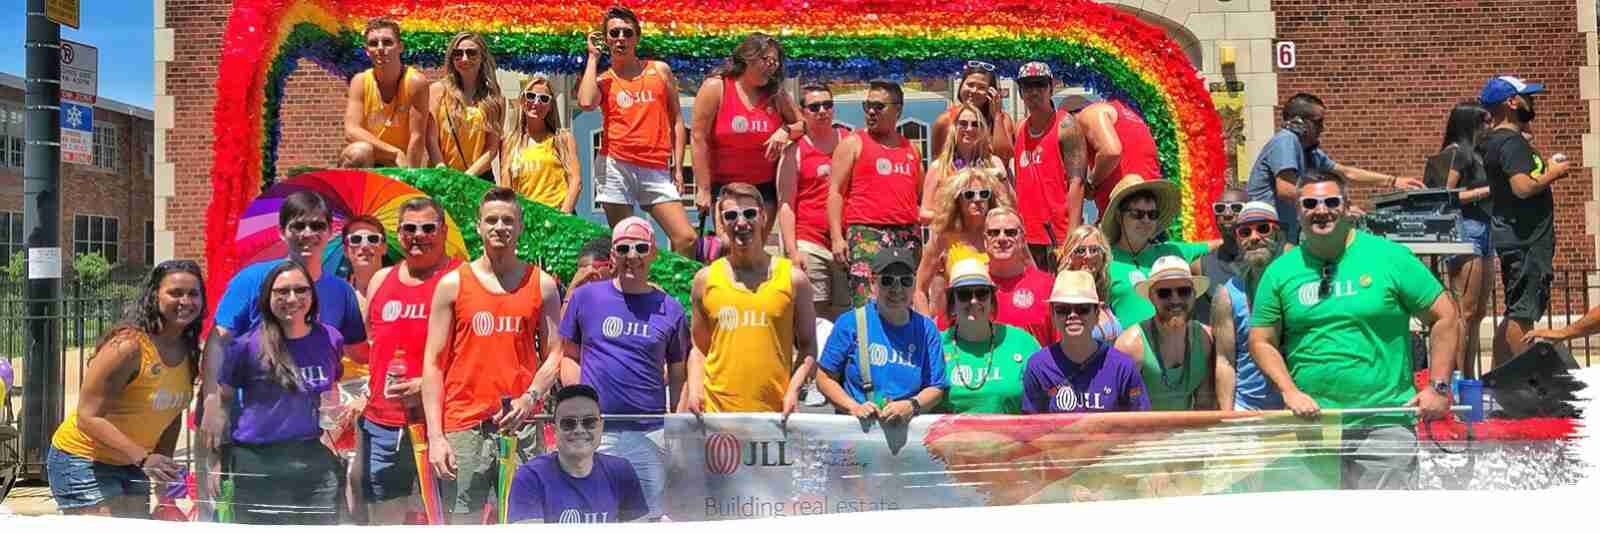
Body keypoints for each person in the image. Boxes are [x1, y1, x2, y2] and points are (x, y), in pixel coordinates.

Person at [1248, 169, 1458, 490]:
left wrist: (1439, 387)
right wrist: (1289, 391)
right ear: (1298, 210)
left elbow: (1444, 315)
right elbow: (1262, 340)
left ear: (1346, 206)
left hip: (1384, 422)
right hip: (1314, 426)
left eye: (1331, 201)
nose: (1321, 210)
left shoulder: (1389, 257)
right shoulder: (1280, 272)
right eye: (1310, 203)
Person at [421, 187, 564, 523]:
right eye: (492, 220)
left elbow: (556, 353)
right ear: (478, 226)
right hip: (463, 426)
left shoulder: (541, 285)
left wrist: (530, 398)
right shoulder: (453, 284)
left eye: (508, 220)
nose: (500, 226)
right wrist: (436, 436)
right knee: (463, 521)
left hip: (521, 426)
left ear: (520, 227)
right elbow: (432, 363)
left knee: (523, 520)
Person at [200, 191, 367, 452]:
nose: (307, 233)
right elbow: (219, 340)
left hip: (311, 435)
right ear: (282, 232)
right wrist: (212, 401)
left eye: (317, 225)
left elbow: (359, 352)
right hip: (255, 432)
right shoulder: (251, 279)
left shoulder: (340, 291)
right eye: (298, 225)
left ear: (330, 232)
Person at [46, 261, 203, 517]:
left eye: (193, 293)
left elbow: (171, 417)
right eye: (175, 293)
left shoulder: (189, 351)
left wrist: (163, 482)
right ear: (154, 295)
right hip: (82, 459)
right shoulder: (127, 347)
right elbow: (87, 417)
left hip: (132, 461)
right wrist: (143, 458)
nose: (185, 301)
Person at [559, 217, 688, 520]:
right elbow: (568, 356)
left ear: (653, 253)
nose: (633, 255)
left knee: (648, 516)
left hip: (649, 431)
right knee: (594, 514)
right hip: (597, 430)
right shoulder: (585, 298)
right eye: (624, 248)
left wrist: (677, 428)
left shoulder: (671, 308)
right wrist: (580, 406)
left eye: (641, 248)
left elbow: (678, 373)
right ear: (613, 255)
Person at [357, 197, 462, 524]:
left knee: (443, 517)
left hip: (441, 424)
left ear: (443, 231)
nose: (418, 235)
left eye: (428, 228)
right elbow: (370, 348)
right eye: (409, 228)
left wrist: (427, 384)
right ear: (398, 234)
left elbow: (472, 351)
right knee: (385, 518)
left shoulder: (460, 277)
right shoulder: (380, 280)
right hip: (382, 424)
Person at [216, 261, 344, 524]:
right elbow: (222, 402)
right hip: (257, 462)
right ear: (267, 297)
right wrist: (215, 461)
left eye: (301, 290)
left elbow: (330, 388)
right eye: (282, 292)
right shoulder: (245, 346)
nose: (292, 298)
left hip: (311, 459)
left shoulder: (330, 338)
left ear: (312, 295)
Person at [684, 183, 819, 416]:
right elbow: (699, 349)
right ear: (721, 223)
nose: (741, 223)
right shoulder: (705, 280)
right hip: (717, 417)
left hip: (774, 417)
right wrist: (695, 390)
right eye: (731, 216)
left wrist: (794, 390)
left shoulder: (794, 280)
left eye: (749, 214)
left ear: (764, 217)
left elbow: (808, 348)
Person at [577, 5, 697, 255]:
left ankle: (674, 292)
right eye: (614, 33)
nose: (621, 38)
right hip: (615, 165)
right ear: (607, 39)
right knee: (626, 243)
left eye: (627, 32)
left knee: (686, 238)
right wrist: (592, 57)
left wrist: (678, 168)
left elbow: (676, 118)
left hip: (656, 167)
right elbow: (586, 102)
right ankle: (630, 291)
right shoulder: (604, 79)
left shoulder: (659, 70)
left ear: (637, 37)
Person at [1478, 76, 1574, 365]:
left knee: (1515, 311)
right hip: (1526, 240)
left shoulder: (1499, 140)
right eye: (1526, 97)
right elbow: (1523, 188)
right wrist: (1554, 172)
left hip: (1515, 236)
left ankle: (1497, 379)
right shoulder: (1511, 143)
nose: (1532, 102)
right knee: (1522, 314)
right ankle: (1521, 383)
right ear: (1511, 102)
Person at [1244, 93, 1423, 244]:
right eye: (1318, 122)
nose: (1323, 128)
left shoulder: (1308, 151)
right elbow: (1285, 189)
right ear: (1299, 122)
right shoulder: (1286, 140)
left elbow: (1346, 172)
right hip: (1264, 234)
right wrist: (1337, 205)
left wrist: (1394, 181)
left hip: (1283, 233)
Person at [691, 32, 805, 236]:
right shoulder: (717, 87)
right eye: (766, 60)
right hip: (726, 189)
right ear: (748, 57)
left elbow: (803, 124)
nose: (772, 66)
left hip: (765, 190)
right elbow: (699, 138)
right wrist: (703, 189)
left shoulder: (775, 94)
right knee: (729, 249)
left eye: (776, 62)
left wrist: (785, 130)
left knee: (755, 252)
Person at [817, 247, 948, 423]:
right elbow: (824, 378)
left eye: (905, 281)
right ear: (872, 283)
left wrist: (911, 405)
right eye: (887, 281)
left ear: (914, 283)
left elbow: (937, 387)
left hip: (906, 432)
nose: (897, 288)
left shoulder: (927, 329)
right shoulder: (850, 323)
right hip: (858, 431)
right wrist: (853, 407)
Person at [829, 80, 928, 307]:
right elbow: (835, 192)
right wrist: (837, 237)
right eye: (867, 105)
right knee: (867, 303)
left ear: (898, 109)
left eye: (878, 106)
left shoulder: (911, 149)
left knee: (904, 303)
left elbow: (919, 197)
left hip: (906, 237)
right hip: (867, 234)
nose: (871, 111)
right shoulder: (853, 143)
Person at [506, 384, 647, 524]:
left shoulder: (622, 471)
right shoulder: (530, 477)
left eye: (589, 422)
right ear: (555, 430)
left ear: (601, 426)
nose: (579, 430)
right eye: (568, 423)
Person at [1422, 103, 1493, 377]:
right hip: (1466, 229)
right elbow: (1442, 195)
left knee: (1478, 313)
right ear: (1469, 124)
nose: (1488, 127)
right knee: (1465, 310)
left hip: (1485, 229)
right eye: (1483, 122)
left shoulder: (1477, 154)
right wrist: (1486, 191)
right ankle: (1461, 378)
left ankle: (1469, 375)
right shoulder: (1457, 154)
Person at [1021, 270, 1149, 414]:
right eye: (1062, 309)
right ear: (1052, 314)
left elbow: (1139, 424)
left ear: (1096, 314)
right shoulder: (1038, 366)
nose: (1072, 316)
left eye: (1083, 309)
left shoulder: (1122, 366)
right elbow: (1031, 427)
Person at [777, 82, 851, 321]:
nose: (822, 111)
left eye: (827, 105)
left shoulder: (849, 140)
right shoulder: (795, 152)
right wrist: (793, 251)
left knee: (845, 314)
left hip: (846, 243)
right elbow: (786, 204)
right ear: (804, 112)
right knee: (814, 316)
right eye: (814, 106)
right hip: (810, 242)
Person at [1100, 175, 1215, 327]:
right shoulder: (1104, 260)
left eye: (1152, 215)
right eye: (1137, 214)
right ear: (1119, 216)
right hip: (1126, 348)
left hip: (1173, 346)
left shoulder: (1172, 252)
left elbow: (1218, 245)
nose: (1146, 220)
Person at [1210, 202, 1286, 411]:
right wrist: (1228, 416)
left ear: (1278, 235)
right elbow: (1225, 361)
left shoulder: (1296, 285)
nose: (1254, 237)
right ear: (1238, 239)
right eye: (1245, 231)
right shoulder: (1228, 294)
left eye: (1263, 228)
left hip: (1295, 407)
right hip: (1247, 408)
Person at [1012, 62, 1089, 268]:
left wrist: (1071, 238)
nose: (1034, 91)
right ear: (1020, 92)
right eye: (1027, 86)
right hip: (1026, 236)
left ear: (1051, 88)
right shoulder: (1020, 128)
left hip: (1057, 236)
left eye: (1040, 85)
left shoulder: (1066, 125)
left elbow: (1078, 181)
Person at [938, 259, 1040, 414]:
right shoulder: (936, 345)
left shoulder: (1023, 342)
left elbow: (1045, 399)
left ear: (992, 300)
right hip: (949, 438)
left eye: (981, 293)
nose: (973, 301)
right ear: (952, 303)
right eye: (964, 294)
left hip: (1011, 437)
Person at [1114, 256, 1215, 411]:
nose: (1175, 300)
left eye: (1184, 291)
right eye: (1164, 293)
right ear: (1151, 297)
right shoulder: (1131, 346)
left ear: (1194, 295)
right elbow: (1119, 409)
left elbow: (1204, 403)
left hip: (1187, 432)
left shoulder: (1205, 338)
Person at [915, 167, 1015, 320]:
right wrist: (928, 329)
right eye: (969, 195)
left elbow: (1028, 274)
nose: (977, 199)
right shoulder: (943, 237)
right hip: (958, 322)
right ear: (957, 200)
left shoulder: (1003, 235)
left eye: (984, 194)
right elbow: (919, 289)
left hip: (1001, 320)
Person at [339, 17, 430, 168]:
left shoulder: (415, 82)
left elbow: (417, 136)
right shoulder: (360, 81)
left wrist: (412, 176)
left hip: (400, 164)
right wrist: (393, 152)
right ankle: (350, 191)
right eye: (373, 44)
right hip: (370, 159)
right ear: (367, 51)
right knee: (358, 151)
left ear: (400, 47)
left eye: (387, 42)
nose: (380, 48)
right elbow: (351, 130)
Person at [919, 103, 1011, 224]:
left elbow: (1010, 207)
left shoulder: (994, 163)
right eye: (963, 124)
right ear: (954, 128)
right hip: (951, 239)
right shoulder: (939, 167)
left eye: (975, 124)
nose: (969, 128)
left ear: (982, 130)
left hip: (984, 238)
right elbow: (924, 214)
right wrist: (958, 216)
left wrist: (1003, 178)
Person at [502, 74, 581, 212]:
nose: (536, 103)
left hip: (557, 217)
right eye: (531, 96)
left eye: (544, 99)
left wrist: (561, 218)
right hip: (525, 220)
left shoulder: (563, 139)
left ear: (550, 106)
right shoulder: (509, 141)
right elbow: (506, 187)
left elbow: (576, 182)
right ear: (522, 100)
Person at [984, 207, 1059, 346]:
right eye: (993, 233)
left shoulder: (1048, 286)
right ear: (984, 240)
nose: (1001, 238)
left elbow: (1061, 345)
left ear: (1023, 238)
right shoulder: (970, 287)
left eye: (1010, 232)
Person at [1077, 97, 1164, 213]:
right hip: (1149, 212)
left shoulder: (1089, 114)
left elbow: (1111, 152)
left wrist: (1091, 183)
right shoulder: (1126, 114)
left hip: (1127, 213)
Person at [931, 61, 1017, 165]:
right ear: (962, 85)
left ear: (991, 92)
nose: (974, 90)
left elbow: (1004, 158)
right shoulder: (945, 121)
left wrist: (997, 116)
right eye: (970, 84)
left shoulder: (1003, 119)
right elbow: (937, 164)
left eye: (981, 87)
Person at [1056, 224, 1122, 342]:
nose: (1088, 255)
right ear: (1070, 256)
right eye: (1080, 251)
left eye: (1094, 250)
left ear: (1103, 255)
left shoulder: (1104, 294)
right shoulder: (1064, 298)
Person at [1194, 188, 1250, 325]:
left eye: (1236, 208)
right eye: (1220, 208)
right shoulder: (1200, 267)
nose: (1227, 214)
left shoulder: (1266, 258)